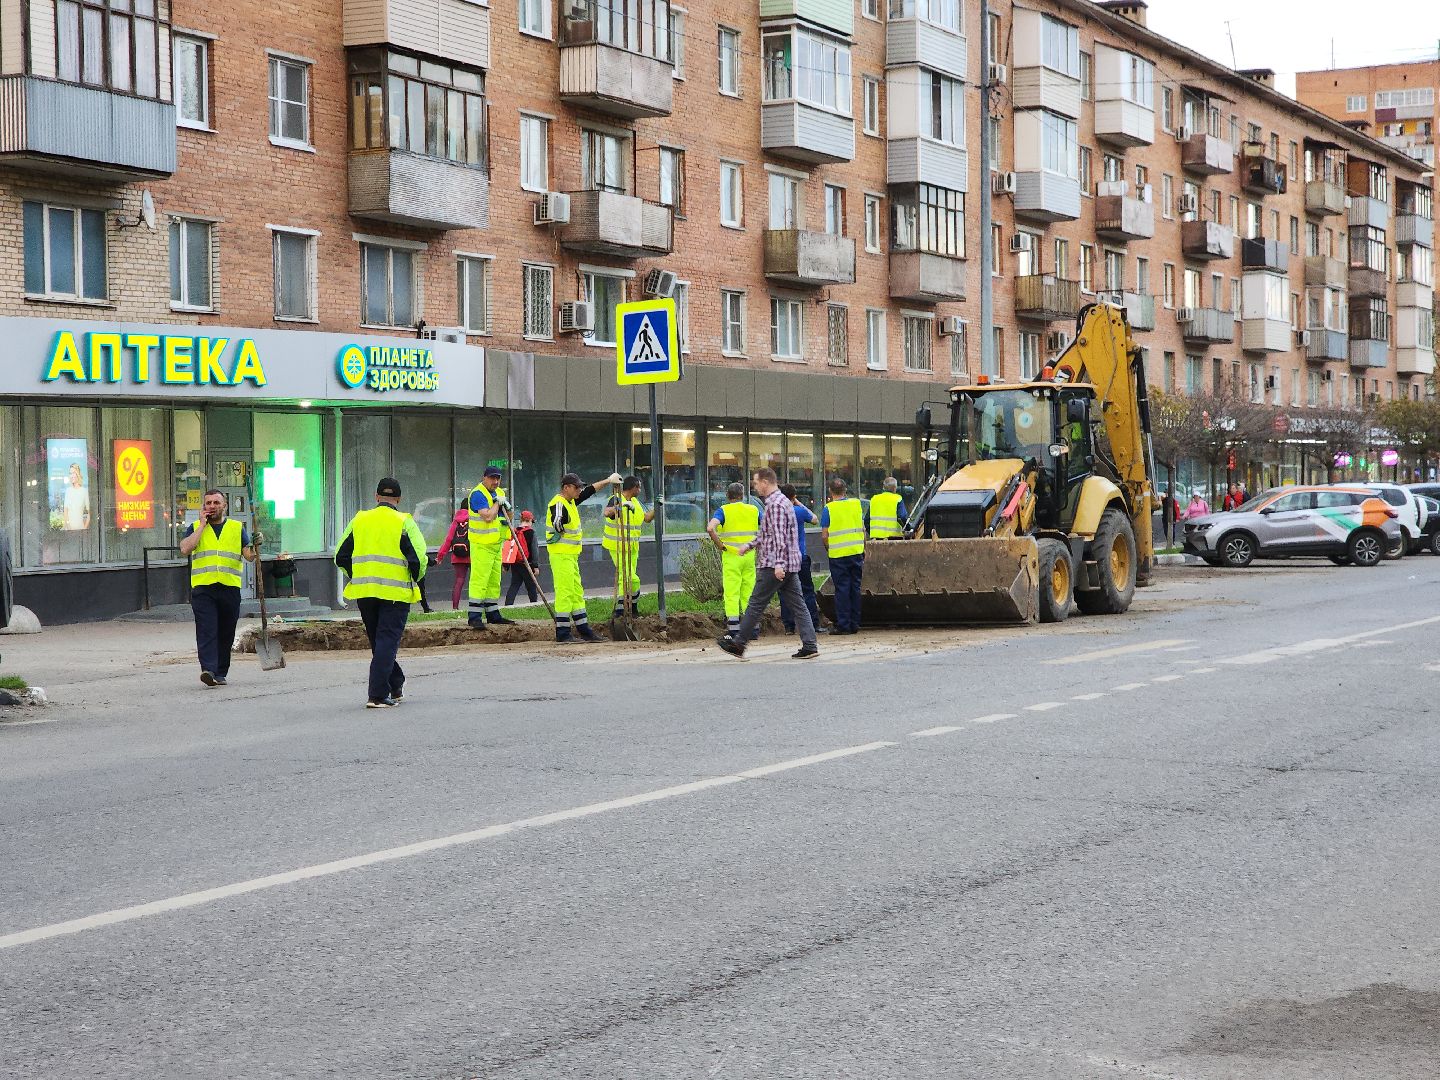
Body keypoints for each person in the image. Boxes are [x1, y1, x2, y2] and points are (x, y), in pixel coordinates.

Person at [334, 477, 427, 709]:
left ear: (376, 497)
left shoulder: (359, 520)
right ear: (399, 499)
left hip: (365, 591)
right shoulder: (404, 522)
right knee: (386, 642)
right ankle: (377, 695)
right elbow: (419, 559)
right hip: (395, 593)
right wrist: (414, 579)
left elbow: (340, 556)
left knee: (379, 642)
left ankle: (395, 683)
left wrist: (357, 574)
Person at [716, 468, 818, 661]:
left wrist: (778, 564)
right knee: (799, 605)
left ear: (765, 482)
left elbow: (779, 537)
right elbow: (766, 534)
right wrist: (749, 545)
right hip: (789, 564)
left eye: (756, 483)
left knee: (755, 603)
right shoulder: (781, 502)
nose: (755, 487)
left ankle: (738, 644)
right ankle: (810, 645)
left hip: (774, 564)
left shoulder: (775, 505)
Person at [179, 488, 258, 687]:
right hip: (203, 588)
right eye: (208, 503)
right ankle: (208, 669)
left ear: (225, 506)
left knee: (226, 631)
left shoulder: (236, 527)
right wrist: (202, 526)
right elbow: (185, 549)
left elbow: (249, 556)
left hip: (229, 587)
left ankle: (220, 672)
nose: (212, 506)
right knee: (206, 629)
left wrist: (256, 545)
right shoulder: (195, 527)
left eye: (216, 502)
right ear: (203, 507)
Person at [548, 471, 622, 642]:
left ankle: (584, 630)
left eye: (580, 487)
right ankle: (563, 633)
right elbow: (557, 521)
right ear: (566, 488)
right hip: (561, 555)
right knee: (565, 592)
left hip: (570, 555)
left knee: (576, 593)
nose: (579, 490)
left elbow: (590, 491)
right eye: (576, 487)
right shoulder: (559, 503)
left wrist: (608, 480)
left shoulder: (571, 501)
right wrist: (559, 528)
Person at [466, 466, 516, 629]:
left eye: (498, 478)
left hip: (496, 545)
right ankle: (474, 616)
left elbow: (509, 517)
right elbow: (487, 516)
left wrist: (507, 507)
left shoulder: (499, 493)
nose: (495, 481)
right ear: (484, 478)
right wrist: (497, 503)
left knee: (494, 581)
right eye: (492, 478)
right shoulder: (478, 494)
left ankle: (493, 614)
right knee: (480, 580)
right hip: (481, 545)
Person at [708, 482, 759, 637]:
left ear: (727, 495)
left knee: (732, 592)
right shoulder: (753, 510)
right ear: (742, 495)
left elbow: (710, 528)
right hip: (749, 556)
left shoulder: (723, 511)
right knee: (749, 591)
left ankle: (734, 629)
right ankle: (753, 629)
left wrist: (720, 545)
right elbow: (767, 526)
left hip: (731, 557)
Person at [820, 477, 867, 635]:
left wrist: (828, 548)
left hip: (838, 555)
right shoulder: (856, 504)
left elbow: (824, 535)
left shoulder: (828, 509)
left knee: (842, 590)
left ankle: (843, 625)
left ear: (830, 491)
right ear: (845, 490)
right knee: (855, 588)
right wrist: (864, 547)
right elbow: (862, 529)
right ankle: (854, 624)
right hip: (856, 552)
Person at [603, 476, 656, 611]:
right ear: (633, 488)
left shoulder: (636, 502)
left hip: (632, 547)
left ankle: (631, 608)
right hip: (618, 546)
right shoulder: (616, 498)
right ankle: (622, 609)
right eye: (639, 487)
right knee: (629, 578)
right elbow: (607, 512)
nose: (640, 490)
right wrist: (622, 506)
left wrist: (657, 507)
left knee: (628, 578)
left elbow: (647, 518)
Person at [778, 484, 824, 636]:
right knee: (807, 590)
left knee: (784, 592)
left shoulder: (777, 513)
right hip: (799, 557)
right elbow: (815, 519)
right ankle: (814, 624)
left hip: (782, 559)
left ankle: (789, 627)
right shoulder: (799, 511)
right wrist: (797, 502)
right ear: (794, 496)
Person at [436, 499, 471, 611]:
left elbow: (448, 540)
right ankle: (476, 606)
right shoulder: (474, 519)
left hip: (457, 556)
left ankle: (455, 608)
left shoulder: (456, 521)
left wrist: (440, 556)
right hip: (472, 555)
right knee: (475, 581)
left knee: (459, 581)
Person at [504, 510, 541, 605]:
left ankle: (508, 604)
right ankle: (534, 604)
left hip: (515, 564)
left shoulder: (514, 531)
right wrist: (535, 566)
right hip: (527, 564)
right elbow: (534, 550)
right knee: (531, 586)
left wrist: (506, 565)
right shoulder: (531, 532)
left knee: (514, 585)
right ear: (530, 520)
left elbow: (509, 548)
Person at [62, 463, 90, 531]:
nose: (71, 476)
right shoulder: (68, 491)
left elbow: (89, 513)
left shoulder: (84, 491)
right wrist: (68, 526)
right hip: (68, 530)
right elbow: (65, 511)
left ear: (78, 474)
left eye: (73, 473)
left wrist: (84, 528)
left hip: (81, 530)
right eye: (70, 473)